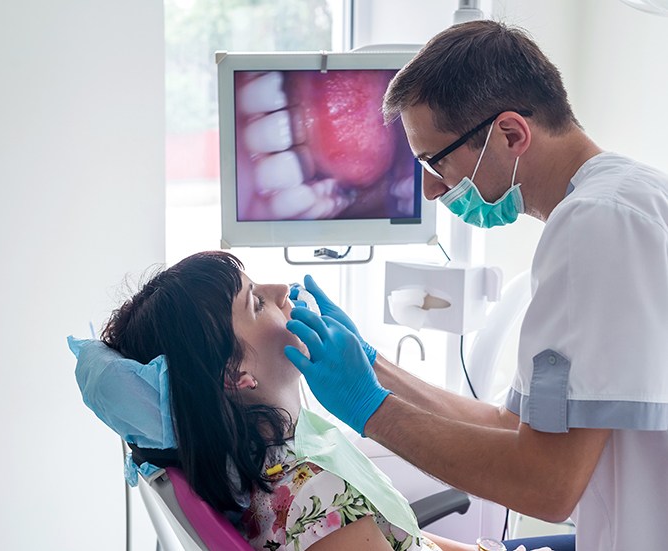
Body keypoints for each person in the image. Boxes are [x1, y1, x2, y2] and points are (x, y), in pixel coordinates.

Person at [284, 19, 668, 551]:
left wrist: (370, 408)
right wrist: (374, 366)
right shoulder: (622, 199)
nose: (430, 186)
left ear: (511, 134)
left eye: (435, 160)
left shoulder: (595, 227)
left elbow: (547, 484)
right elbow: (512, 425)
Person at [74, 250, 524, 551]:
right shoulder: (315, 497)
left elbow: (405, 537)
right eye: (255, 302)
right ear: (235, 375)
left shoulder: (284, 459)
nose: (281, 290)